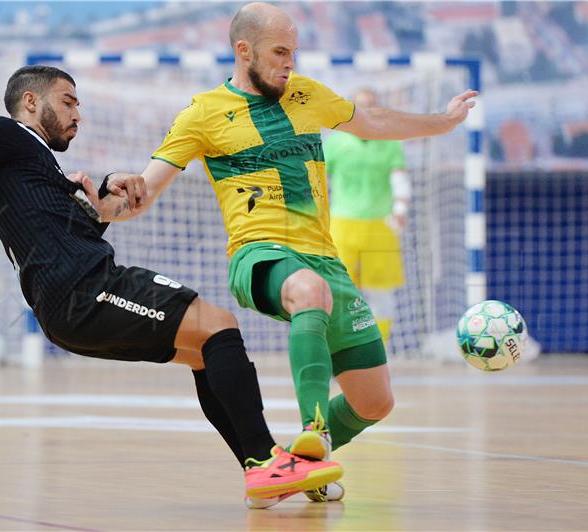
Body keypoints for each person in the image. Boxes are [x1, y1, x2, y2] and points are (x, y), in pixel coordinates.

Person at [0, 65, 344, 506]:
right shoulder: (3, 132)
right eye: (68, 101)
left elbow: (78, 230)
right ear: (31, 102)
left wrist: (106, 199)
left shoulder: (40, 168)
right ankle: (263, 461)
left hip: (73, 298)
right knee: (218, 325)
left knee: (204, 347)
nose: (78, 113)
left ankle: (264, 473)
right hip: (83, 289)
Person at [75, 2, 477, 507]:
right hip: (259, 253)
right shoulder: (203, 113)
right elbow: (146, 190)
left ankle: (293, 465)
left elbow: (369, 119)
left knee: (374, 401)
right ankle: (315, 431)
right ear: (244, 50)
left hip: (325, 258)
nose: (290, 62)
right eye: (280, 51)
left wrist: (442, 121)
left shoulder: (308, 95)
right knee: (309, 290)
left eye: (294, 52)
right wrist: (109, 204)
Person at [324, 88, 411, 344]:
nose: (367, 111)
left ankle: (377, 350)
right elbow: (315, 179)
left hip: (379, 228)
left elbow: (399, 178)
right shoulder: (336, 142)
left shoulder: (390, 142)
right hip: (342, 227)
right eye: (361, 106)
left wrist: (401, 210)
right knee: (336, 292)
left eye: (372, 105)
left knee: (381, 294)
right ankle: (338, 348)